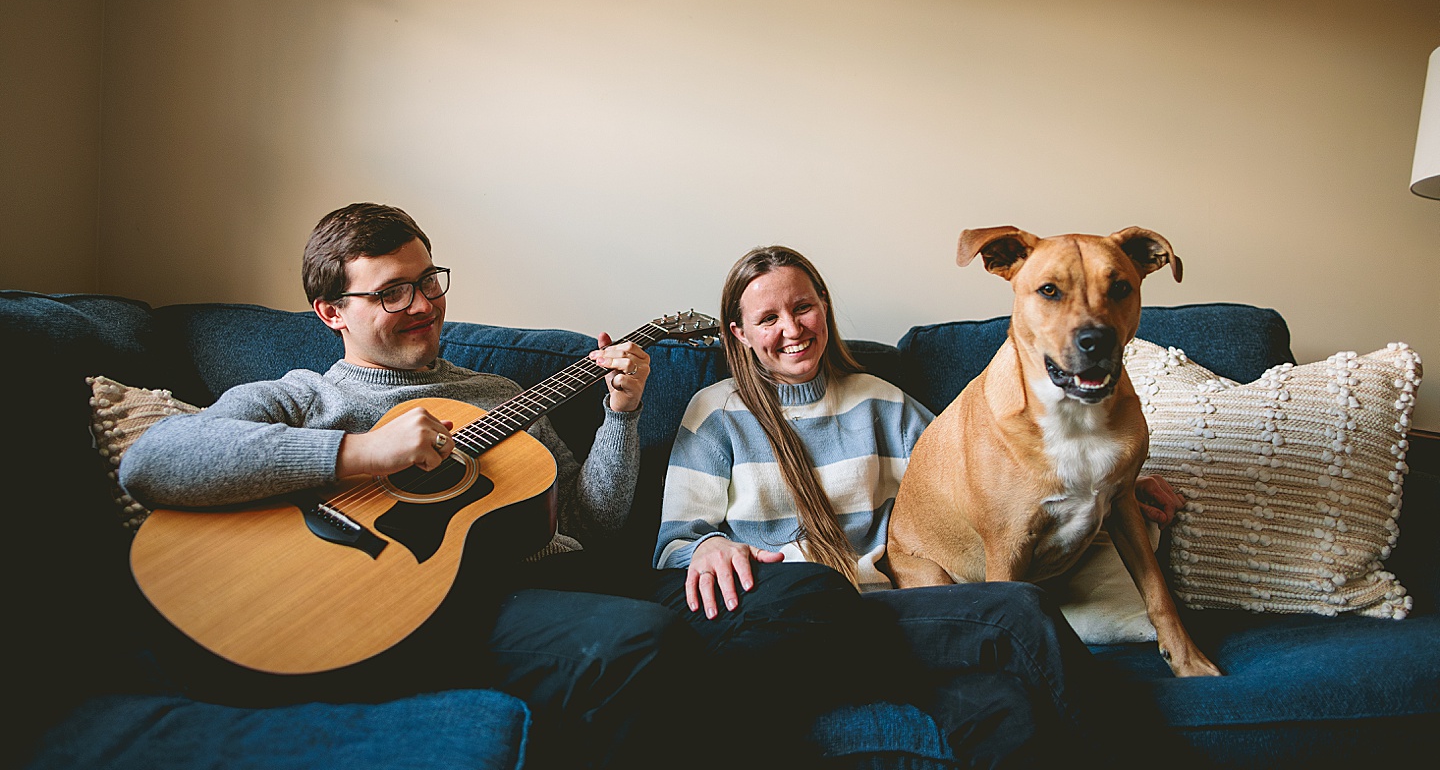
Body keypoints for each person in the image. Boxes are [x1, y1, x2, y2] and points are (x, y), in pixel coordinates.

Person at [120, 202, 695, 770]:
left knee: (669, 622)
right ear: (331, 312)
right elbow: (151, 461)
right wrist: (364, 451)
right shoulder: (302, 397)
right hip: (359, 598)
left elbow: (589, 525)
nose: (422, 305)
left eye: (428, 281)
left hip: (514, 587)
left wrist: (621, 414)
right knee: (637, 639)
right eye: (393, 292)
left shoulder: (503, 396)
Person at [653, 245, 1102, 767]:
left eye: (803, 307)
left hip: (891, 616)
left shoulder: (881, 401)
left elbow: (981, 470)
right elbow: (673, 548)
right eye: (768, 318)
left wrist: (1104, 486)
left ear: (824, 306)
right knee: (1016, 607)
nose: (792, 329)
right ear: (740, 334)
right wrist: (708, 547)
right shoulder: (716, 412)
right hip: (791, 627)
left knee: (1005, 710)